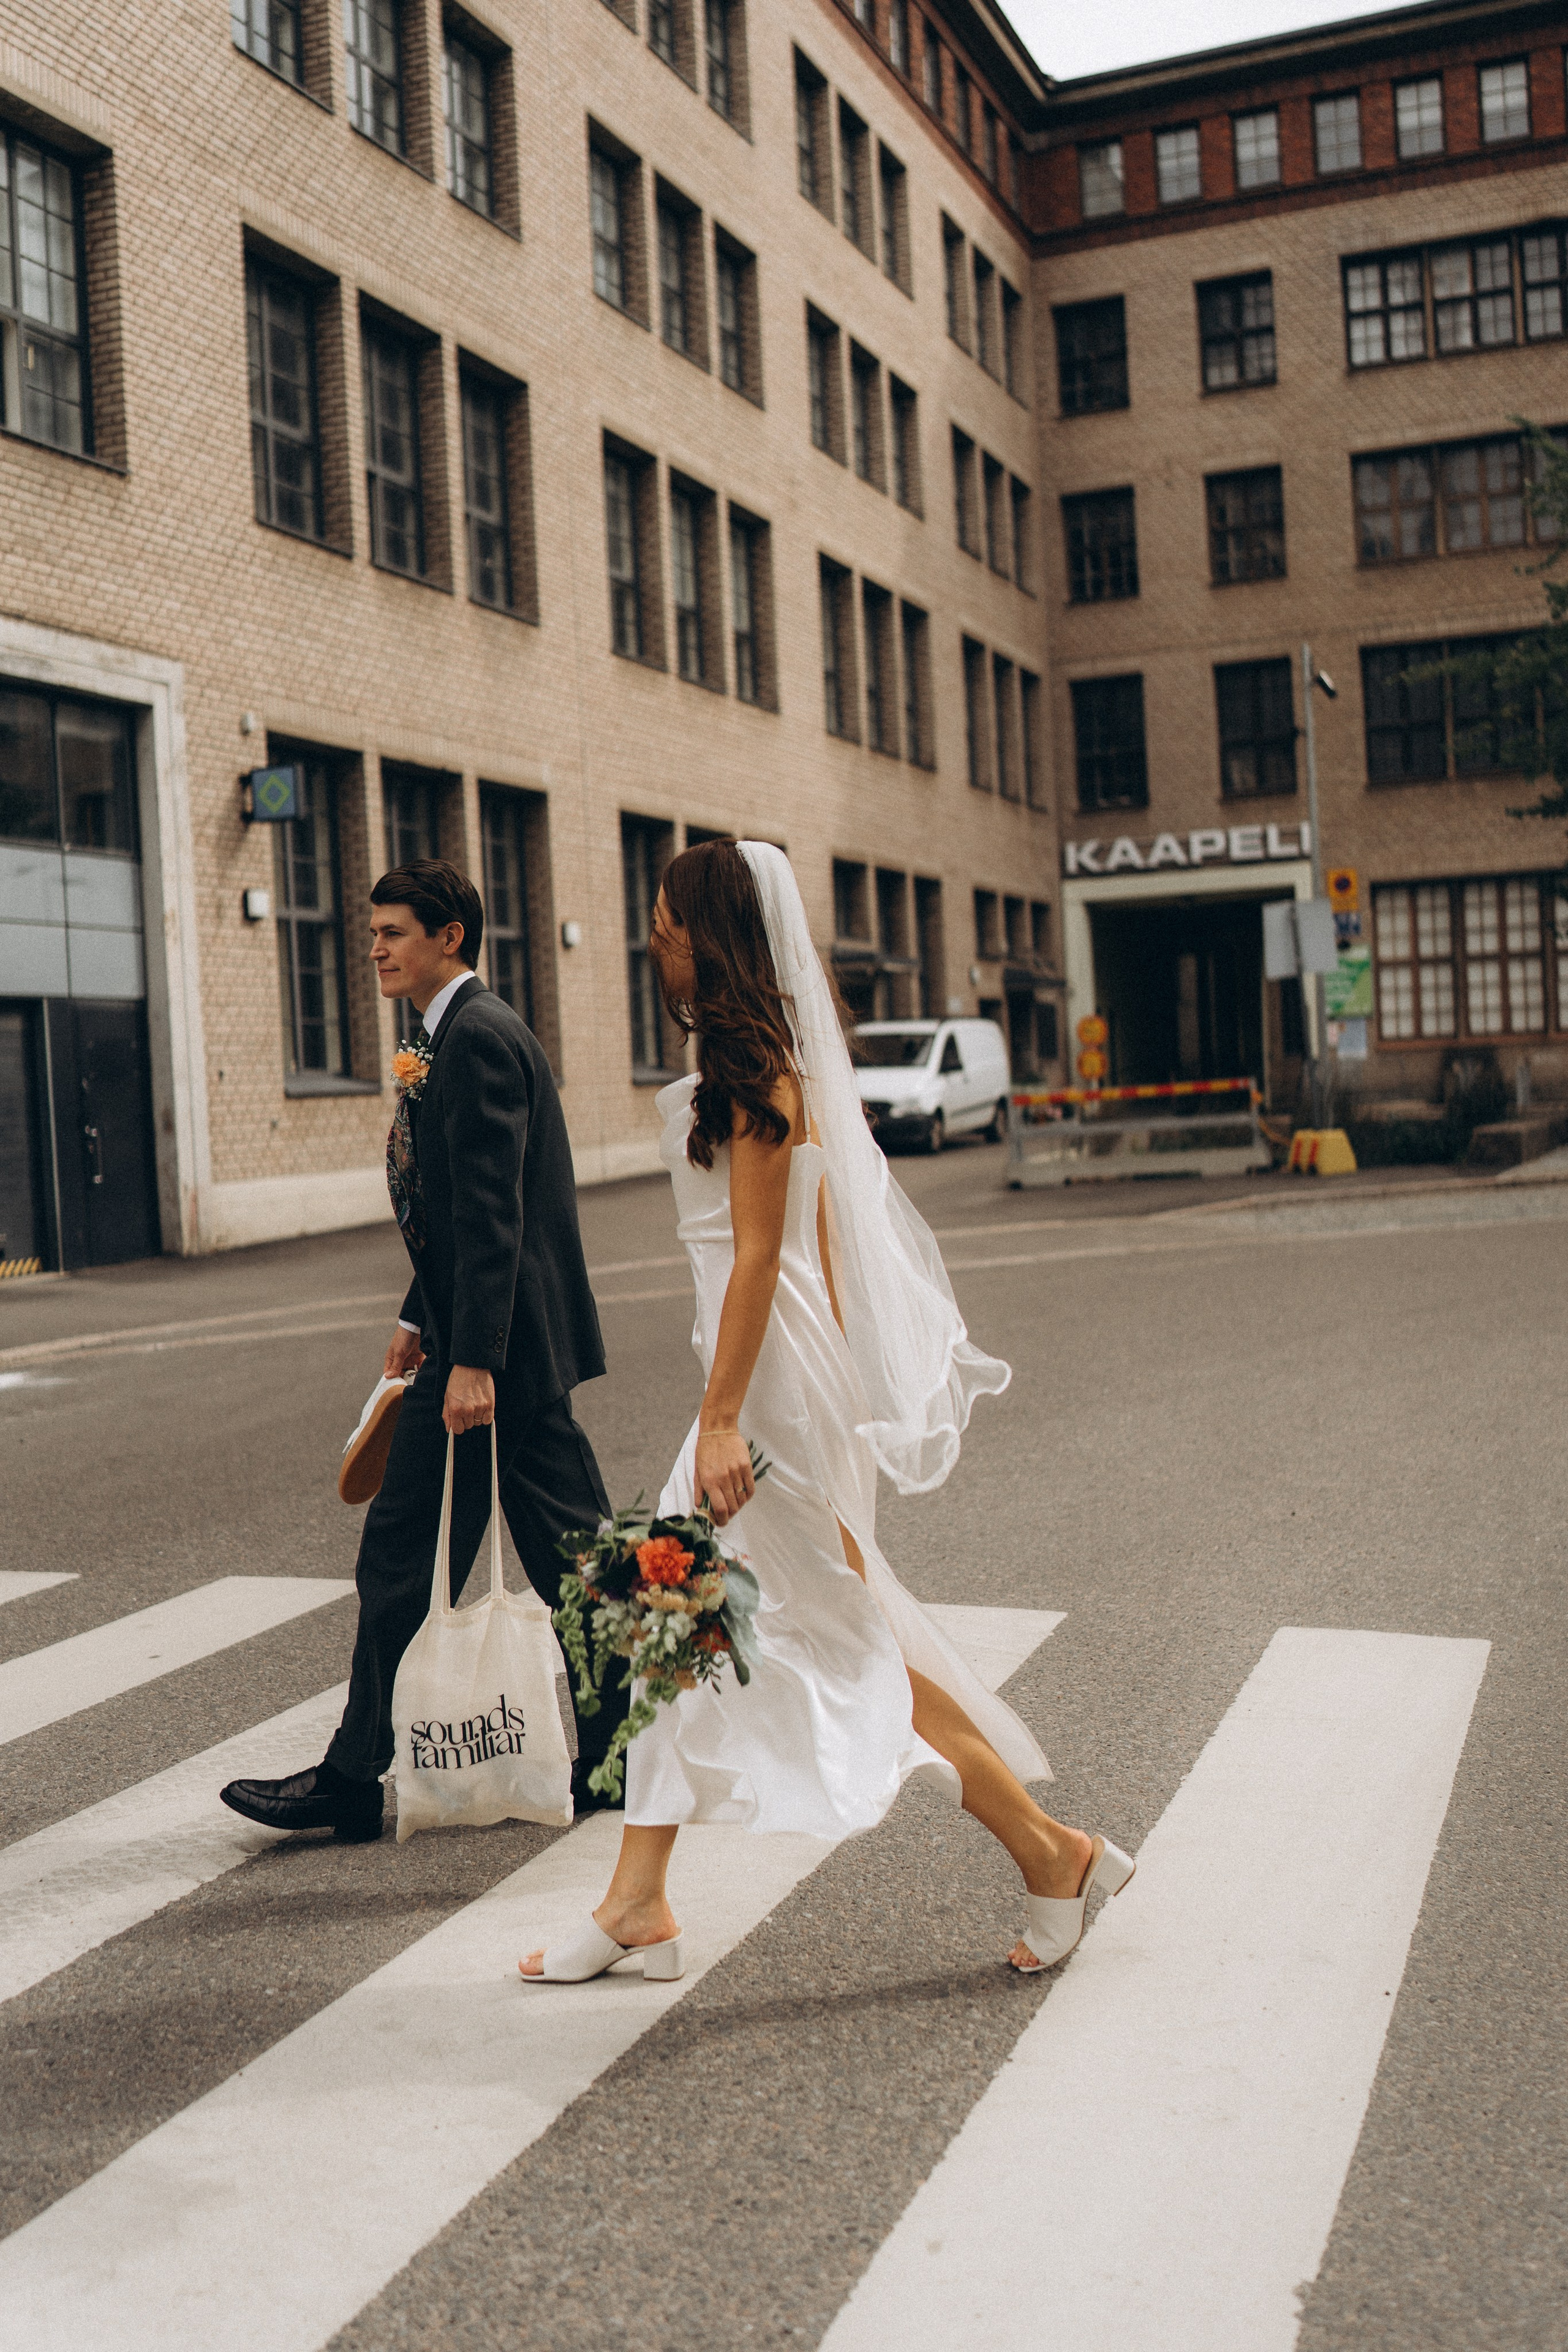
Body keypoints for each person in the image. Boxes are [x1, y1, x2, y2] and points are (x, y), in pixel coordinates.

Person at [520, 841, 1131, 1981]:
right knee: (672, 1620)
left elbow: (759, 1258)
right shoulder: (757, 1058)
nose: (653, 934)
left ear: (710, 933)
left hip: (762, 1402)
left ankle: (1053, 1851)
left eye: (665, 916)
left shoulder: (754, 1066)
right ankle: (636, 1898)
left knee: (831, 1644)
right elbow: (825, 1246)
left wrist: (722, 1420)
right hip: (773, 1385)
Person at [222, 858, 622, 1841]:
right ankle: (618, 1749)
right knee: (569, 1555)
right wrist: (417, 1309)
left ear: (450, 937)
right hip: (488, 1340)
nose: (374, 948)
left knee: (416, 1554)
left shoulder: (477, 1038)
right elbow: (453, 1205)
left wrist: (473, 1358)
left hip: (495, 1353)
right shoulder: (448, 1036)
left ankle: (356, 1777)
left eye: (394, 931)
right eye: (373, 932)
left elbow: (495, 1213)